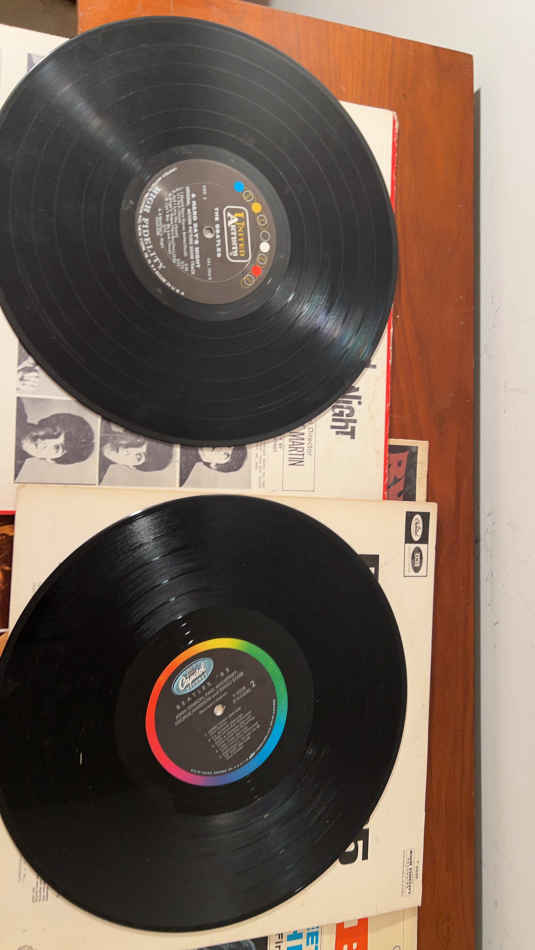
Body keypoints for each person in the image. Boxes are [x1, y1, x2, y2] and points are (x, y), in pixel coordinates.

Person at [15, 401, 95, 478]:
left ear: (51, 460)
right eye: (54, 431)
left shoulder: (12, 472)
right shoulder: (15, 405)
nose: (46, 440)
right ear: (46, 421)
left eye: (57, 448)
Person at [99, 423, 173, 484]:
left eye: (138, 457)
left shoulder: (97, 477)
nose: (126, 449)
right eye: (138, 441)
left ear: (131, 467)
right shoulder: (100, 416)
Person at [179, 445, 247, 486]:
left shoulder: (180, 476)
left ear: (214, 465)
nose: (221, 448)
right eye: (228, 445)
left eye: (226, 454)